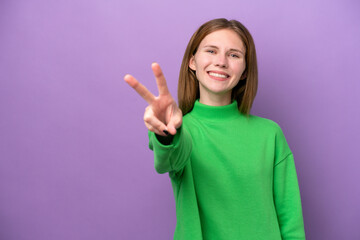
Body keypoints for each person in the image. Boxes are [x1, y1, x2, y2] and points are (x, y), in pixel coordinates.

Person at [124, 18, 305, 240]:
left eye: (234, 55)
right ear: (193, 62)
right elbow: (168, 160)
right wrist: (166, 133)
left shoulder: (270, 134)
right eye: (211, 51)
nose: (221, 62)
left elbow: (291, 221)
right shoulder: (182, 131)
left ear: (245, 71)